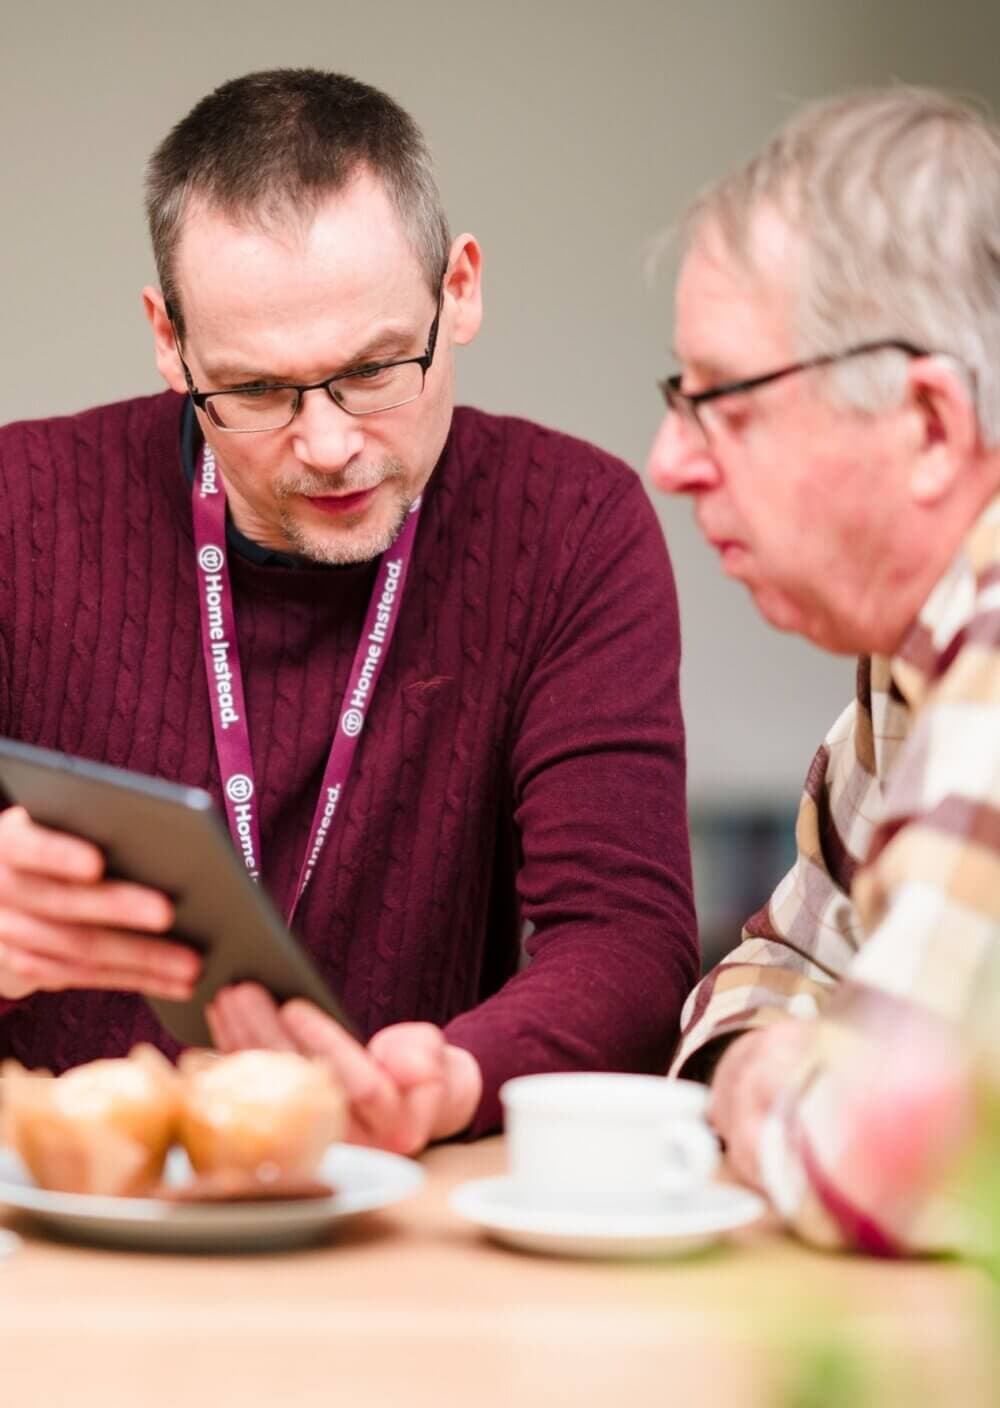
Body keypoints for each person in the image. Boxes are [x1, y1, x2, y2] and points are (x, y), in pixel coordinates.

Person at [0, 68, 697, 1154]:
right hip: (68, 1213)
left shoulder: (571, 523)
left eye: (376, 371)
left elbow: (626, 939)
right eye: (259, 391)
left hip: (404, 1209)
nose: (327, 447)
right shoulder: (16, 507)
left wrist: (455, 1078)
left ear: (458, 288)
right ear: (168, 338)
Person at [648, 86, 1000, 1253]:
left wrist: (767, 1087)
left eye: (723, 401)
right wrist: (776, 1058)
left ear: (930, 427)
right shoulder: (909, 658)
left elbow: (862, 1162)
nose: (667, 461)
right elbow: (772, 963)